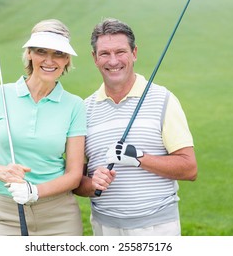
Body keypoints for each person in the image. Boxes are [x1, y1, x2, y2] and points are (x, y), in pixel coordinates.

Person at [73, 18, 197, 236]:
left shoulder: (163, 100)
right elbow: (76, 181)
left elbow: (189, 168)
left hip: (156, 229)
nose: (113, 61)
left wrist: (139, 157)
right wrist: (92, 183)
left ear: (134, 53)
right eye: (104, 53)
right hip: (105, 228)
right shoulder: (84, 110)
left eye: (120, 52)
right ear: (94, 58)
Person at [0, 19, 86, 236]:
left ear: (67, 60)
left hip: (59, 216)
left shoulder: (75, 105)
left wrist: (34, 191)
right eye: (41, 51)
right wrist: (2, 171)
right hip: (6, 214)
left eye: (58, 53)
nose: (49, 61)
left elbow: (74, 175)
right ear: (30, 53)